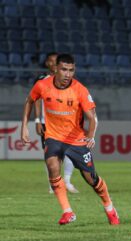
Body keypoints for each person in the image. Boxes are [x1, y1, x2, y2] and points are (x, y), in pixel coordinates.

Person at [21, 54, 119, 225]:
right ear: (56, 69)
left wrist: (90, 137)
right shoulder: (42, 85)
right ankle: (67, 211)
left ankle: (109, 207)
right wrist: (25, 126)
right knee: (52, 167)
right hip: (53, 136)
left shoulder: (80, 89)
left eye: (71, 70)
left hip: (76, 139)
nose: (67, 74)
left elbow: (92, 117)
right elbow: (29, 101)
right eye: (64, 70)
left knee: (91, 179)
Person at [34, 52, 79, 194]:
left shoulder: (68, 81)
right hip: (47, 123)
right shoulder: (42, 80)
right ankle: (53, 185)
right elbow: (36, 100)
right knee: (51, 155)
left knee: (70, 152)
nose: (54, 64)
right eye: (51, 62)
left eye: (56, 62)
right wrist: (37, 120)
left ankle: (67, 181)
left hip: (66, 122)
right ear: (47, 63)